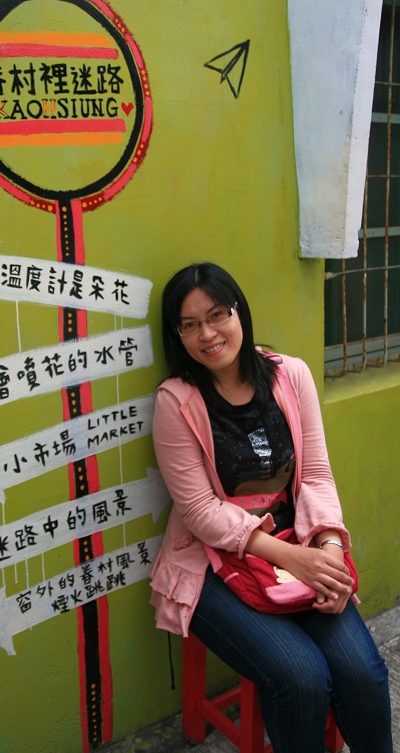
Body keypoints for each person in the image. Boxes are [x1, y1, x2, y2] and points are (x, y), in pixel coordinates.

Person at [149, 262, 392, 753]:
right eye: (189, 325)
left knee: (362, 673)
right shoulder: (177, 400)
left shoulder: (290, 375)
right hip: (212, 563)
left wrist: (327, 551)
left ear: (239, 311)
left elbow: (316, 475)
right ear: (177, 335)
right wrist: (294, 559)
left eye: (217, 315)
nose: (207, 334)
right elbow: (200, 511)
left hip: (297, 545)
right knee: (300, 678)